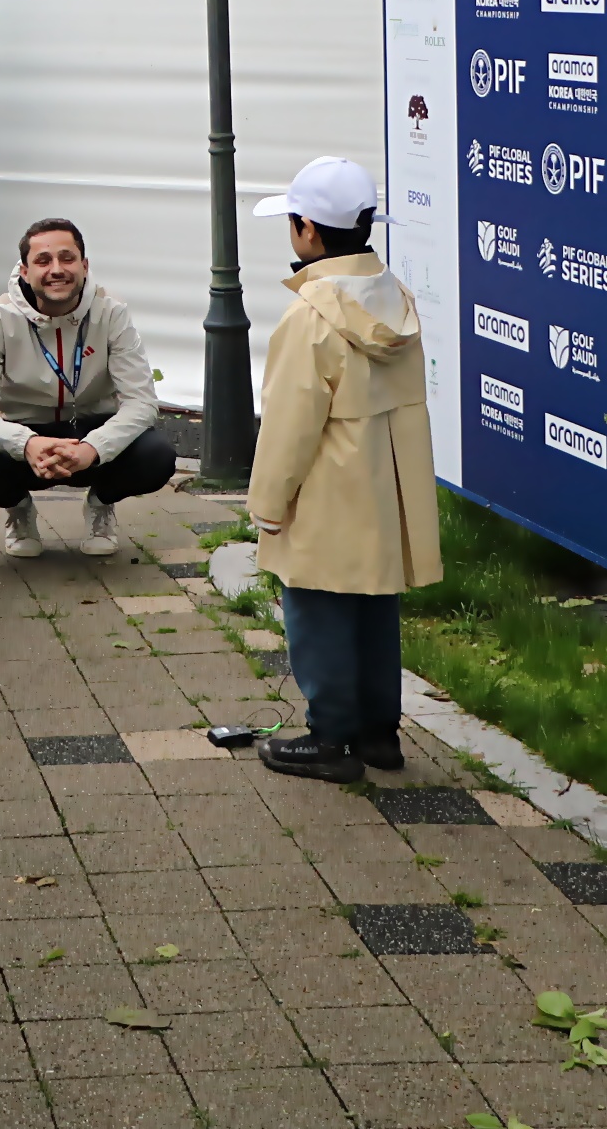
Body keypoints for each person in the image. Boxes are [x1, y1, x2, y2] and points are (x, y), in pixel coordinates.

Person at [243, 156, 439, 784]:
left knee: (317, 608)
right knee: (375, 606)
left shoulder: (310, 316)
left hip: (327, 490)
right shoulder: (396, 298)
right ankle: (380, 735)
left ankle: (330, 737)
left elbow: (289, 425)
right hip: (386, 485)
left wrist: (267, 505)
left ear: (307, 229)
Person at [0, 218, 177, 558]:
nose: (57, 269)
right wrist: (26, 443)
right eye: (43, 261)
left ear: (84, 265)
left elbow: (141, 403)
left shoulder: (111, 311)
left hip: (92, 433)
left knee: (157, 456)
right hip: (24, 438)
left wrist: (93, 448)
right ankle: (18, 507)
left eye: (67, 258)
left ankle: (101, 503)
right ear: (25, 271)